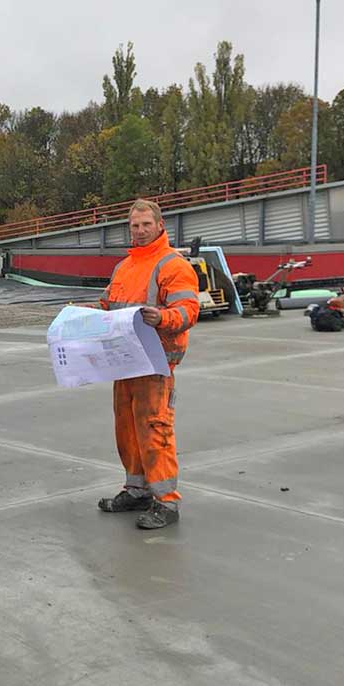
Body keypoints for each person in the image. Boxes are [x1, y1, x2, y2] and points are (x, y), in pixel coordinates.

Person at [97, 200, 200, 530]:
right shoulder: (124, 267)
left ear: (159, 225)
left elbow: (188, 310)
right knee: (126, 430)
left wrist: (165, 317)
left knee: (155, 429)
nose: (139, 231)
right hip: (126, 362)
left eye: (145, 225)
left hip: (155, 365)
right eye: (134, 226)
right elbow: (109, 304)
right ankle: (137, 489)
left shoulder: (173, 265)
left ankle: (166, 501)